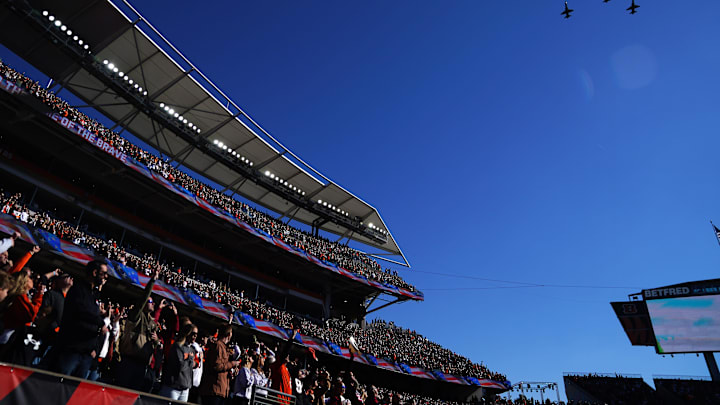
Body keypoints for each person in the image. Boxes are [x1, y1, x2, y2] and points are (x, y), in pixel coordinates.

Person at [51, 260, 108, 377]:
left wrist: (94, 349)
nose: (106, 277)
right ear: (94, 272)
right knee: (58, 385)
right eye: (103, 273)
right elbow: (82, 312)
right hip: (71, 349)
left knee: (74, 391)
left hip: (86, 353)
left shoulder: (93, 295)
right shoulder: (78, 290)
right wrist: (100, 323)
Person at [116, 265, 160, 392]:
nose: (153, 304)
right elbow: (142, 299)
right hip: (129, 361)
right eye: (151, 302)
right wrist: (152, 281)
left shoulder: (153, 323)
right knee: (121, 392)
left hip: (142, 364)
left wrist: (156, 340)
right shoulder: (136, 315)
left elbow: (155, 346)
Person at [199, 325, 240, 405]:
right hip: (213, 390)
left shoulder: (224, 348)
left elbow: (223, 367)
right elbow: (217, 366)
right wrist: (232, 364)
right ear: (229, 334)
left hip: (222, 390)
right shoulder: (218, 346)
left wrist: (231, 372)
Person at [158, 323, 197, 401]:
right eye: (193, 334)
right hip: (173, 387)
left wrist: (189, 360)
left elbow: (194, 365)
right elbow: (180, 366)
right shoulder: (178, 346)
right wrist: (190, 359)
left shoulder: (192, 349)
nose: (195, 336)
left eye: (196, 334)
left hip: (185, 388)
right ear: (187, 333)